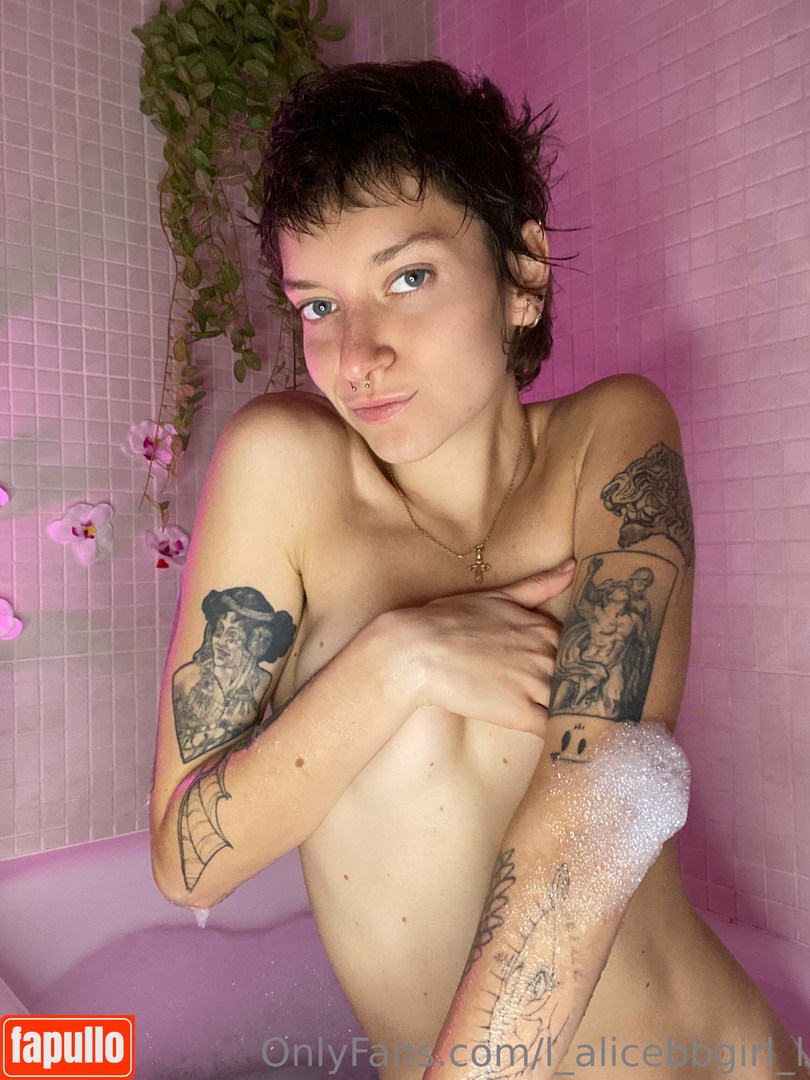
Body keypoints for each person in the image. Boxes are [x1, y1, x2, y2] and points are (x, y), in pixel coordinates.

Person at [149, 60, 805, 1080]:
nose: (355, 356)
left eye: (407, 279)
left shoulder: (608, 440)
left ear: (524, 274)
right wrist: (397, 661)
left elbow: (595, 805)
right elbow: (188, 863)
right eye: (317, 307)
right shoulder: (285, 470)